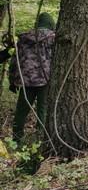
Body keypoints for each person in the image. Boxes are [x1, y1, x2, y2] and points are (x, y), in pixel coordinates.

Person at [4, 13, 56, 144]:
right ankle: (41, 140)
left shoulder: (23, 39)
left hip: (27, 81)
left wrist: (12, 81)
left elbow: (15, 62)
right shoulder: (53, 39)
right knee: (43, 110)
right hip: (45, 80)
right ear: (50, 24)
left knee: (21, 111)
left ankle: (16, 140)